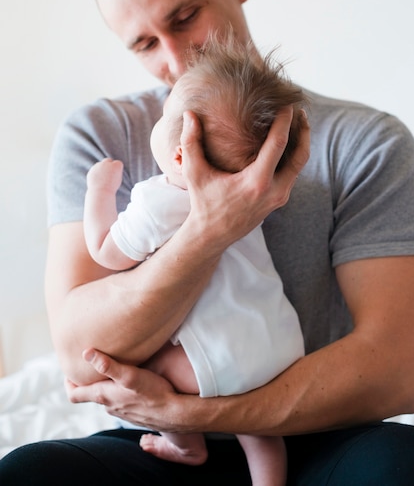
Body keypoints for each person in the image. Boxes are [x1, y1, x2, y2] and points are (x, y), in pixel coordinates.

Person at [1, 0, 414, 486]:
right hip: (152, 444)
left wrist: (197, 414)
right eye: (144, 44)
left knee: (404, 463)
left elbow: (398, 365)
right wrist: (210, 229)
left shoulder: (365, 143)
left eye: (186, 16)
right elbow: (78, 351)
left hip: (320, 435)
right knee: (28, 474)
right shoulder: (98, 136)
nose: (175, 61)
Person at [83, 34, 306, 486]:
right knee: (260, 434)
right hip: (278, 349)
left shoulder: (158, 201)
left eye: (168, 116)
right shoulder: (252, 198)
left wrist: (99, 192)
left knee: (149, 368)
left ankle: (186, 443)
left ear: (180, 155)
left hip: (211, 362)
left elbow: (106, 252)